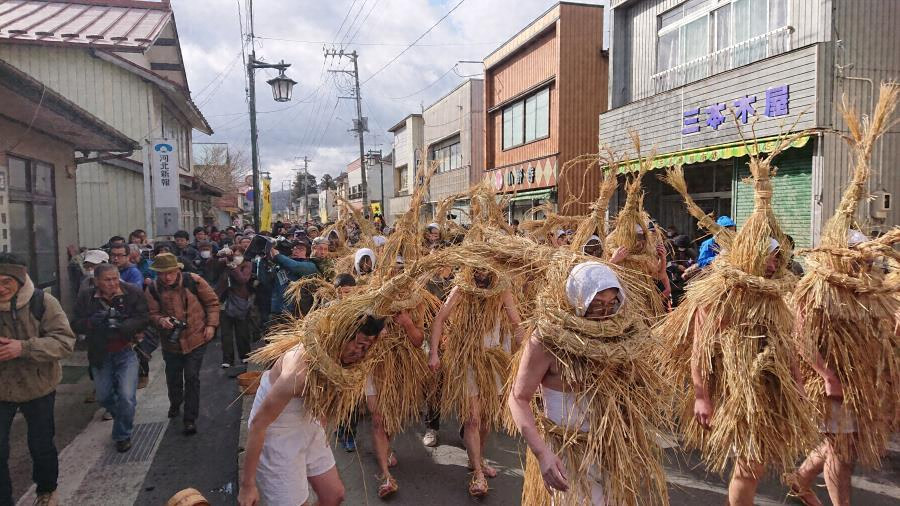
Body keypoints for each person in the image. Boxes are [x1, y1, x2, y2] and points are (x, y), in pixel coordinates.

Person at [509, 262, 668, 505]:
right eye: (596, 304)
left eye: (611, 303)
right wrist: (542, 454)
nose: (605, 312)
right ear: (579, 299)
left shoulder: (620, 337)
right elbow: (518, 398)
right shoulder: (548, 340)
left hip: (612, 450)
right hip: (569, 454)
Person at [239, 316, 387, 506]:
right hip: (276, 431)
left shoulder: (344, 363)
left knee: (334, 495)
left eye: (365, 347)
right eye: (357, 344)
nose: (359, 352)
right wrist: (247, 485)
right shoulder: (298, 371)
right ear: (341, 335)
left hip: (308, 422)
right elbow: (258, 425)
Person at [428, 267, 523, 497]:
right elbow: (440, 318)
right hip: (467, 359)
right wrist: (434, 353)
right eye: (477, 270)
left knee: (487, 422)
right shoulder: (462, 288)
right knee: (472, 419)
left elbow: (516, 324)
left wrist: (525, 356)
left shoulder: (502, 290)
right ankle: (478, 474)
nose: (481, 275)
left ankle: (476, 460)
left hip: (493, 361)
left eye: (485, 270)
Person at [0, 254, 76, 506]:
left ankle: (46, 490)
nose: (1, 288)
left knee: (41, 444)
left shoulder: (43, 302)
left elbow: (65, 342)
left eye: (6, 282)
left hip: (39, 385)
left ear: (20, 280)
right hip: (2, 389)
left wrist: (23, 348)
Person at [71, 264, 149, 453]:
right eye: (107, 280)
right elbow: (75, 323)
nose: (113, 283)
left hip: (126, 350)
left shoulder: (132, 292)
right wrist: (91, 322)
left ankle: (122, 435)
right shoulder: (86, 297)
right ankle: (123, 417)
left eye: (115, 278)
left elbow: (144, 316)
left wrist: (126, 325)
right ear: (96, 281)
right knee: (104, 396)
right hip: (99, 353)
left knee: (127, 397)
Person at [145, 253, 220, 435]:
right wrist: (160, 320)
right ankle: (175, 402)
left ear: (178, 269)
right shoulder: (153, 289)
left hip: (196, 337)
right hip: (171, 342)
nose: (167, 277)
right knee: (173, 376)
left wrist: (211, 325)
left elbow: (212, 303)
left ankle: (190, 418)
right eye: (162, 273)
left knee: (192, 377)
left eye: (170, 272)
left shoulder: (193, 281)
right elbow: (150, 313)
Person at [218, 246, 253, 369]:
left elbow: (242, 279)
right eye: (234, 254)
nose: (236, 257)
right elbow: (210, 267)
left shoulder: (246, 265)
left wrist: (234, 266)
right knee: (226, 333)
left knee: (242, 331)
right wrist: (219, 254)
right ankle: (228, 359)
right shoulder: (224, 264)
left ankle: (244, 355)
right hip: (224, 302)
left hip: (240, 301)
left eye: (239, 255)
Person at [269, 241, 319, 317]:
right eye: (295, 249)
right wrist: (262, 260)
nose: (297, 251)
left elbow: (295, 266)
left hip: (297, 312)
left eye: (301, 249)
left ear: (307, 254)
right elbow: (265, 281)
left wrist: (278, 256)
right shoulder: (280, 266)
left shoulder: (310, 266)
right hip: (278, 310)